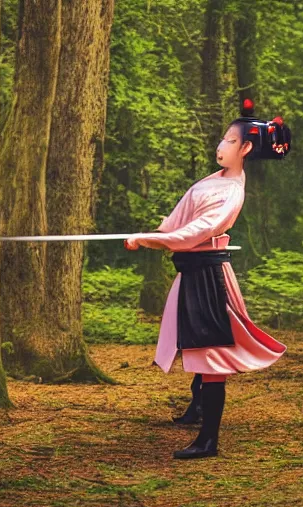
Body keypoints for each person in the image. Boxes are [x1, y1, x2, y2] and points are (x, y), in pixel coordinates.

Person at [123, 99, 289, 459]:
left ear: (245, 148)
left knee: (210, 351)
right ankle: (196, 410)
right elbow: (178, 222)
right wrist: (155, 233)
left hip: (210, 277)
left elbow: (193, 233)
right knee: (193, 342)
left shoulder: (231, 191)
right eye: (223, 139)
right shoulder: (211, 182)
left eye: (230, 141)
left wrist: (150, 240)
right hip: (191, 272)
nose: (221, 145)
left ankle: (208, 441)